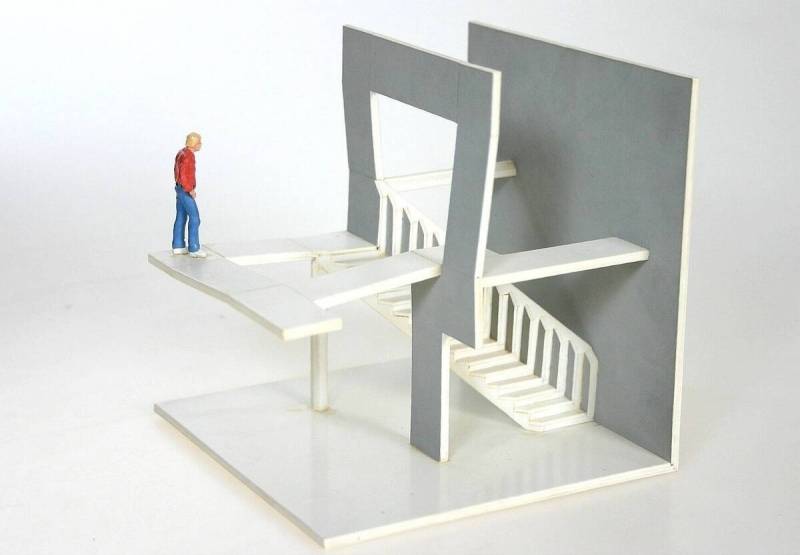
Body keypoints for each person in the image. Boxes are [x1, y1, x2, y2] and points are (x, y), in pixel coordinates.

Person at [172, 132, 206, 257]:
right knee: (195, 218)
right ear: (194, 144)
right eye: (199, 142)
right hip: (185, 190)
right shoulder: (189, 156)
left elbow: (176, 171)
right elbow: (185, 174)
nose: (201, 144)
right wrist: (189, 189)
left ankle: (178, 245)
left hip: (179, 189)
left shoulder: (181, 152)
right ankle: (194, 248)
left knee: (181, 217)